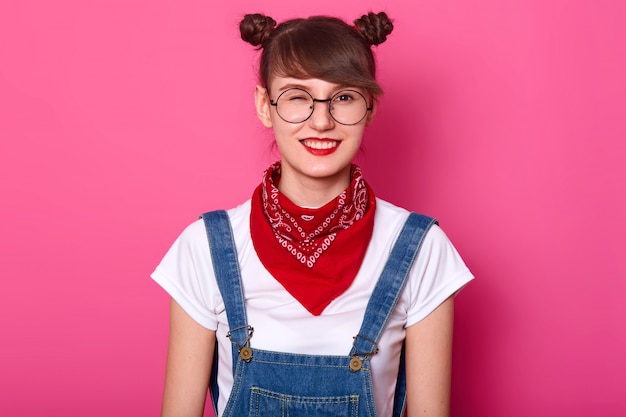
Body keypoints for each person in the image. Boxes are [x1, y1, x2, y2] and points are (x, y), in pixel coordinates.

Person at [151, 11, 473, 417]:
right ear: (264, 106)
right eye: (297, 96)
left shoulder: (421, 249)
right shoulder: (206, 247)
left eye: (344, 97)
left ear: (370, 108)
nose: (321, 121)